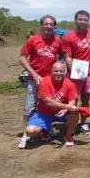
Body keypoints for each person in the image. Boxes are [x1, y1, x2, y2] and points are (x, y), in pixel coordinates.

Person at [18, 15, 62, 149]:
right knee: (29, 108)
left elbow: (63, 56)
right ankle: (26, 135)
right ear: (41, 25)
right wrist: (34, 73)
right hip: (34, 79)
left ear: (55, 26)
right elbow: (22, 58)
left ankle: (45, 132)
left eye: (51, 24)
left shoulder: (58, 41)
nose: (49, 26)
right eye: (46, 24)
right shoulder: (33, 40)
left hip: (49, 81)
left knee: (47, 107)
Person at [25, 62, 80, 147]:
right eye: (56, 71)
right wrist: (68, 107)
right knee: (30, 131)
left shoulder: (70, 83)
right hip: (44, 113)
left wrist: (66, 109)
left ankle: (68, 135)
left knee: (75, 112)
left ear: (65, 72)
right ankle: (46, 130)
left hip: (62, 113)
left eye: (61, 71)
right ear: (51, 71)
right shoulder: (44, 82)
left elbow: (72, 100)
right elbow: (49, 102)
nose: (58, 73)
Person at [62, 10, 90, 135]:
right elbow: (67, 56)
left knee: (86, 99)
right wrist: (74, 69)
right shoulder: (68, 36)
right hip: (75, 72)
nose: (83, 22)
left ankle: (84, 124)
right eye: (80, 19)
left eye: (85, 19)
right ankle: (72, 124)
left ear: (88, 21)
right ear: (75, 20)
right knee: (73, 99)